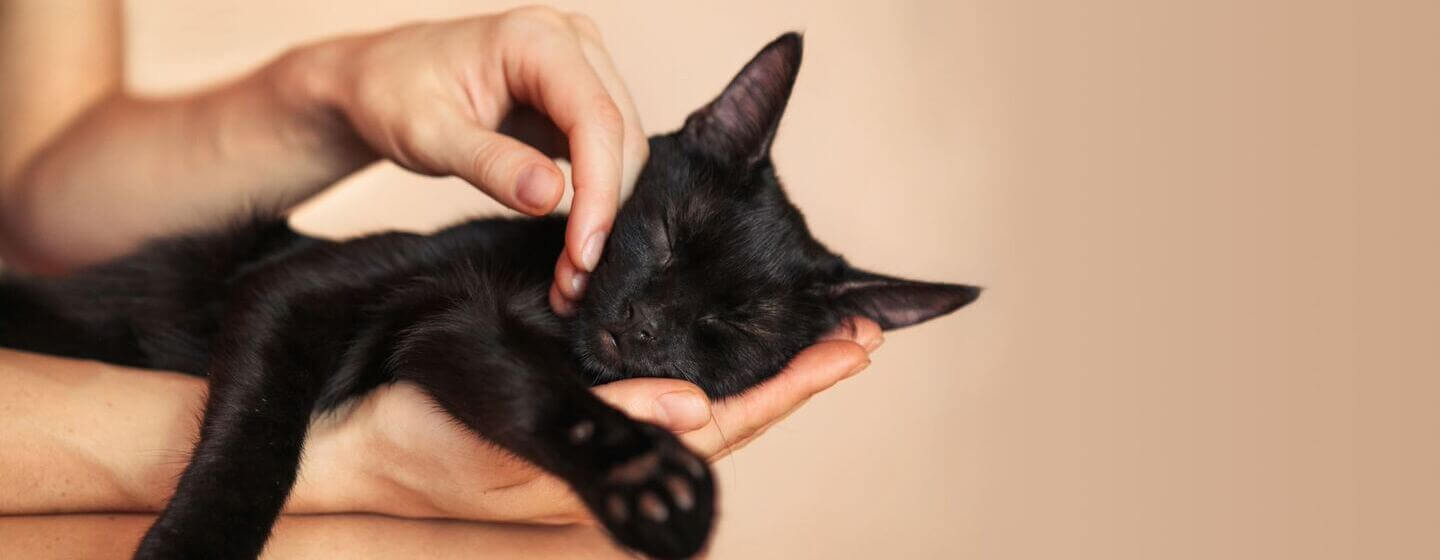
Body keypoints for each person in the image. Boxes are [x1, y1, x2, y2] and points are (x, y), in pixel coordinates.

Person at [0, 3, 881, 557]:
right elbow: (291, 303)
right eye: (663, 251)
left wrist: (338, 88)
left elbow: (32, 174)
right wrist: (342, 477)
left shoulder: (526, 320)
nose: (651, 325)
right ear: (683, 150)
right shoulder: (512, 257)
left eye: (716, 340)